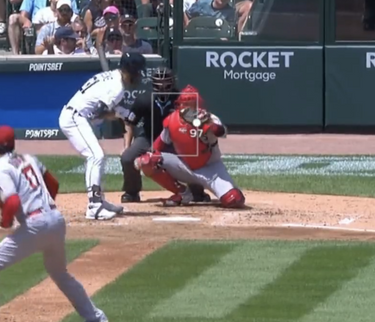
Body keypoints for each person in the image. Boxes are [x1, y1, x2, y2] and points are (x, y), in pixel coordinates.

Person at [0, 125, 109, 322]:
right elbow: (54, 184)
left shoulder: (0, 169)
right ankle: (95, 318)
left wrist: (6, 221)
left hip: (35, 225)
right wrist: (42, 207)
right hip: (56, 220)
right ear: (13, 143)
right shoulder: (29, 158)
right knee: (59, 272)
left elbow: (13, 202)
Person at [58, 52, 145, 220]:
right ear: (131, 70)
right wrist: (122, 114)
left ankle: (100, 201)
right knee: (95, 155)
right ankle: (94, 206)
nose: (140, 75)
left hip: (76, 116)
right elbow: (99, 114)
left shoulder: (112, 76)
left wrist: (122, 113)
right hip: (74, 118)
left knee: (96, 156)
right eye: (138, 71)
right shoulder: (117, 87)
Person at [134, 85, 245, 208]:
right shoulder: (172, 120)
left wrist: (209, 125)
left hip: (211, 169)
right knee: (147, 161)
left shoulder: (209, 118)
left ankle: (219, 190)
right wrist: (147, 159)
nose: (189, 108)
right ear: (180, 105)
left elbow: (221, 132)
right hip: (184, 166)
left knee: (234, 199)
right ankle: (182, 193)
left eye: (192, 104)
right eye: (186, 104)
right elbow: (158, 145)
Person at [120, 67, 211, 203]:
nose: (163, 87)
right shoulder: (144, 99)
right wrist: (126, 146)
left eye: (166, 83)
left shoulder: (181, 98)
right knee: (127, 158)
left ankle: (197, 191)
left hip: (176, 139)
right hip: (149, 137)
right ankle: (132, 192)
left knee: (192, 157)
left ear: (172, 82)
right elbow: (129, 123)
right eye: (159, 83)